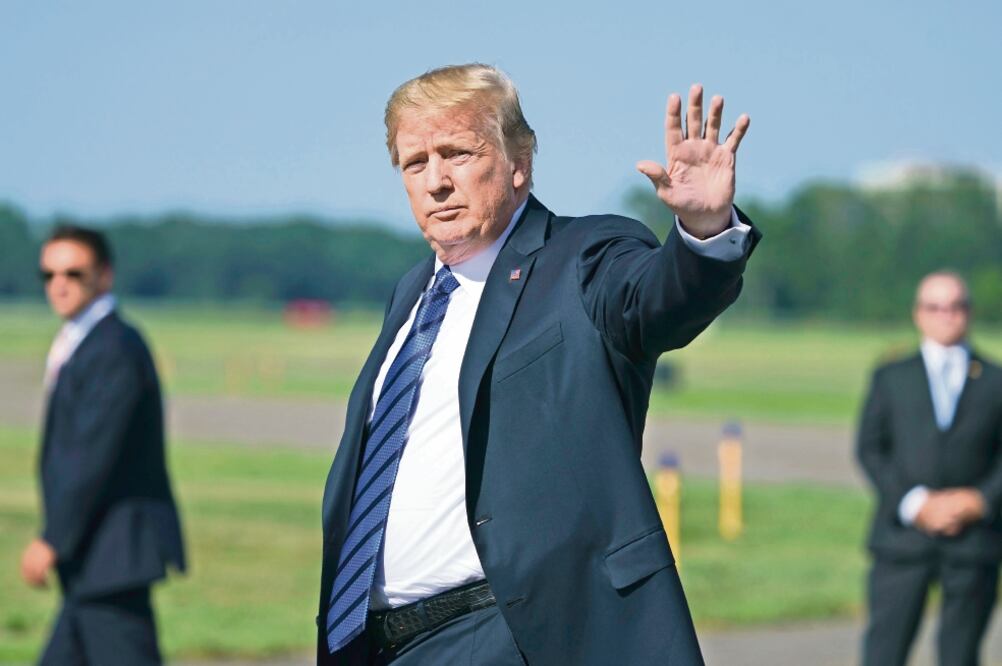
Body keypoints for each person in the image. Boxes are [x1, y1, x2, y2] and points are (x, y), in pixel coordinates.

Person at [317, 63, 760, 665]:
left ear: (519, 161)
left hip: (512, 634)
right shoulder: (413, 295)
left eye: (457, 153)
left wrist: (703, 231)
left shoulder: (582, 258)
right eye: (415, 163)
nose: (437, 181)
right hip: (382, 645)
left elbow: (657, 301)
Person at [21, 226, 186, 665]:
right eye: (49, 274)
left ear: (104, 276)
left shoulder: (114, 347)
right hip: (93, 563)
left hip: (114, 558)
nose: (59, 284)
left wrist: (52, 537)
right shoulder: (84, 342)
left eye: (74, 273)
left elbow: (91, 454)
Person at [857, 271, 1002, 666]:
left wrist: (979, 500)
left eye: (956, 306)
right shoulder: (891, 376)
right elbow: (870, 449)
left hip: (973, 542)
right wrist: (914, 502)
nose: (947, 315)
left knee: (961, 655)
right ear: (918, 314)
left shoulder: (995, 380)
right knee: (884, 653)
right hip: (902, 539)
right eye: (935, 307)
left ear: (970, 313)